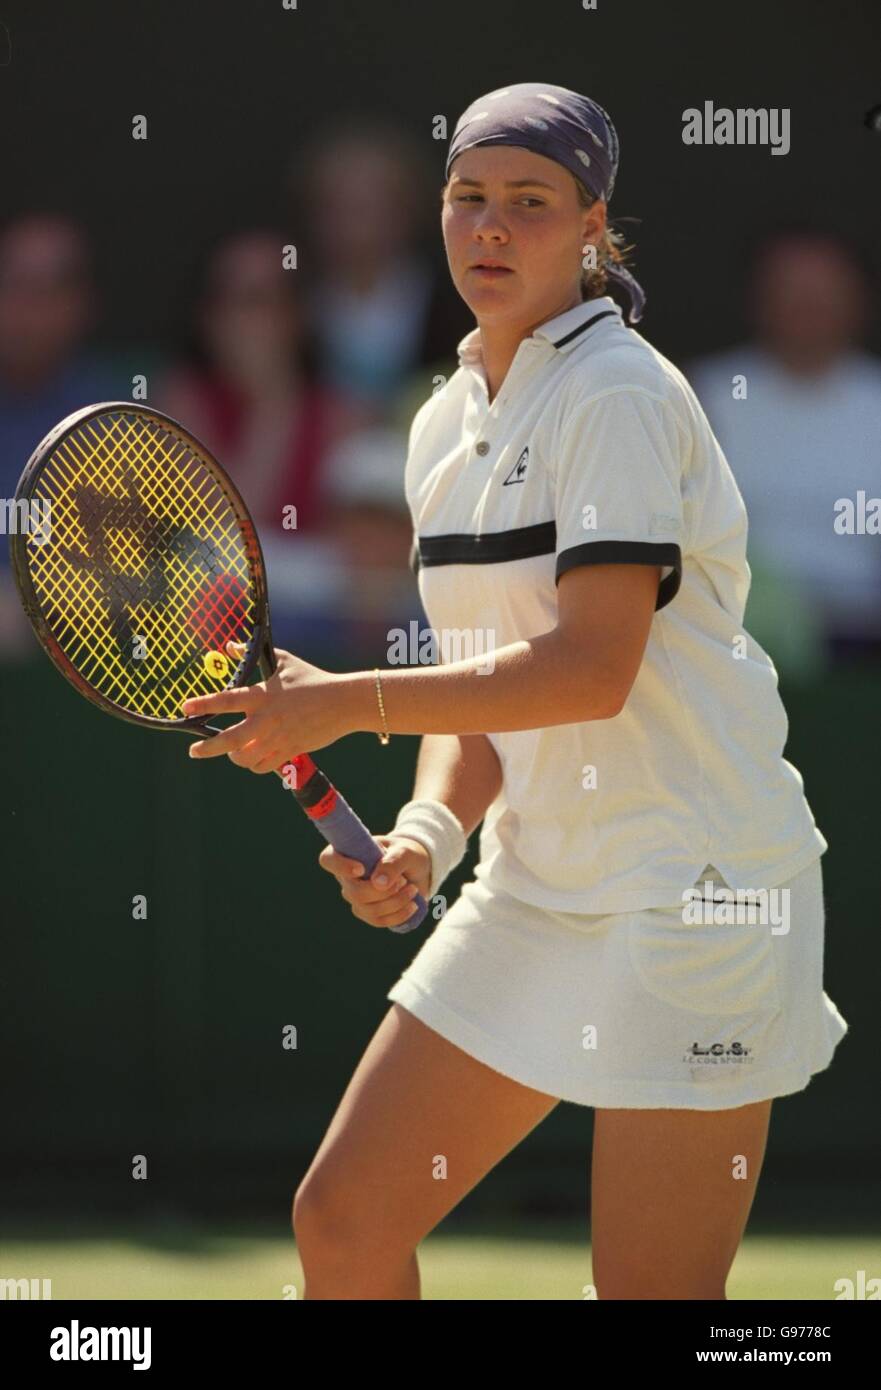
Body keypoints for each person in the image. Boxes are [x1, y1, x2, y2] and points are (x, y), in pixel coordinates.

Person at [179, 83, 848, 1300]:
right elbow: (478, 697)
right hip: (537, 888)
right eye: (467, 199)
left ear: (592, 224)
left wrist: (342, 704)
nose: (489, 227)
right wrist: (428, 838)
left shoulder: (622, 396)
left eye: (528, 204)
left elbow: (591, 672)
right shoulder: (442, 422)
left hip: (700, 895)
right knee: (342, 1222)